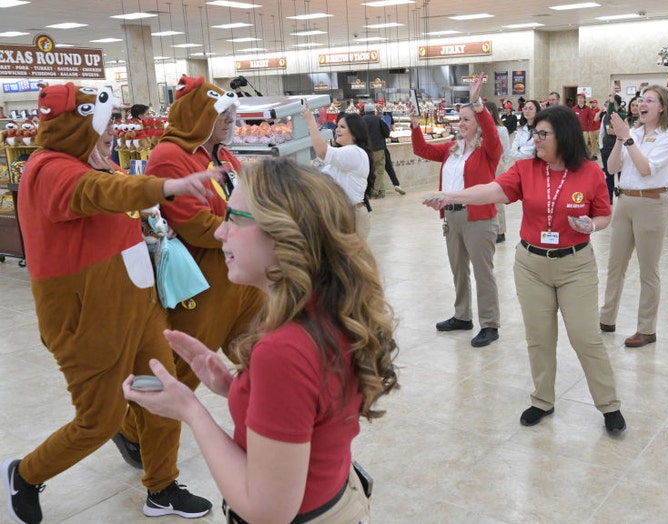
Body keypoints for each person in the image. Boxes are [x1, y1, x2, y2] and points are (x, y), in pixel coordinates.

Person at [124, 157, 400, 522]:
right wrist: (237, 387)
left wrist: (190, 410)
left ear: (284, 234)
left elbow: (268, 512)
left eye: (234, 219)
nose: (220, 233)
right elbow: (310, 407)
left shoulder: (284, 348)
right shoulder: (327, 308)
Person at [4, 83, 218, 524]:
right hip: (88, 320)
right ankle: (24, 475)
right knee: (98, 420)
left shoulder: (97, 163)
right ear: (76, 124)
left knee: (162, 396)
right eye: (103, 123)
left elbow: (112, 209)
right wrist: (167, 185)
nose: (113, 132)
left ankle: (161, 488)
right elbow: (99, 194)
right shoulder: (49, 169)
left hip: (138, 307)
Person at [422, 104, 626, 434]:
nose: (536, 139)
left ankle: (609, 404)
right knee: (539, 338)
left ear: (565, 137)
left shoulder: (589, 172)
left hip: (575, 266)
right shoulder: (526, 169)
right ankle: (542, 399)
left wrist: (593, 225)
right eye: (536, 133)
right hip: (531, 266)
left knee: (586, 338)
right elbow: (491, 190)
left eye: (543, 134)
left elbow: (605, 214)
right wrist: (450, 195)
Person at [114, 75, 266, 465]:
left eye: (232, 112)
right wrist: (248, 230)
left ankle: (264, 421)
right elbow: (193, 224)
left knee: (258, 351)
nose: (231, 119)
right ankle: (133, 432)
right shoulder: (170, 155)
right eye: (222, 114)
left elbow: (246, 204)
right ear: (199, 115)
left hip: (240, 277)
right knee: (184, 372)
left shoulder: (224, 155)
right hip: (204, 282)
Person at [411, 73, 502, 348]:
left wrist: (477, 104)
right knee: (458, 269)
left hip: (478, 217)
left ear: (477, 123)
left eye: (466, 119)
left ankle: (490, 324)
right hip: (452, 217)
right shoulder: (452, 149)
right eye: (459, 119)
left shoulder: (488, 149)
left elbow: (491, 130)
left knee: (482, 271)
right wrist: (415, 125)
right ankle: (462, 316)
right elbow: (422, 149)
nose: (461, 123)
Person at [598, 85, 668, 348]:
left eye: (649, 100)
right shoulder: (631, 133)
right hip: (624, 200)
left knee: (648, 269)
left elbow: (646, 169)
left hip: (653, 202)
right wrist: (621, 139)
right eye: (640, 99)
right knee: (615, 265)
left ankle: (647, 328)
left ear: (662, 107)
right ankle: (606, 317)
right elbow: (612, 168)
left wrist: (629, 140)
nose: (641, 104)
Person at [302, 109, 374, 240]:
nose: (337, 130)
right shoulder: (345, 155)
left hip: (351, 216)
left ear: (354, 132)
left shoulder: (355, 152)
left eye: (342, 127)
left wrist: (311, 122)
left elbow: (323, 152)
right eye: (337, 126)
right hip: (341, 215)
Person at [485, 101, 512, 244]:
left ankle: (500, 231)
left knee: (497, 200)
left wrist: (502, 164)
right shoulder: (480, 129)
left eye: (487, 111)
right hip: (483, 166)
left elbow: (507, 150)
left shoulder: (501, 130)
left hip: (497, 166)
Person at [362, 103, 391, 199]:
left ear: (365, 111)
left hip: (367, 150)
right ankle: (375, 191)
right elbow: (387, 133)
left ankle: (381, 191)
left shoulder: (361, 121)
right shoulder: (378, 119)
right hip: (379, 149)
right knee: (379, 171)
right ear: (373, 111)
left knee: (372, 172)